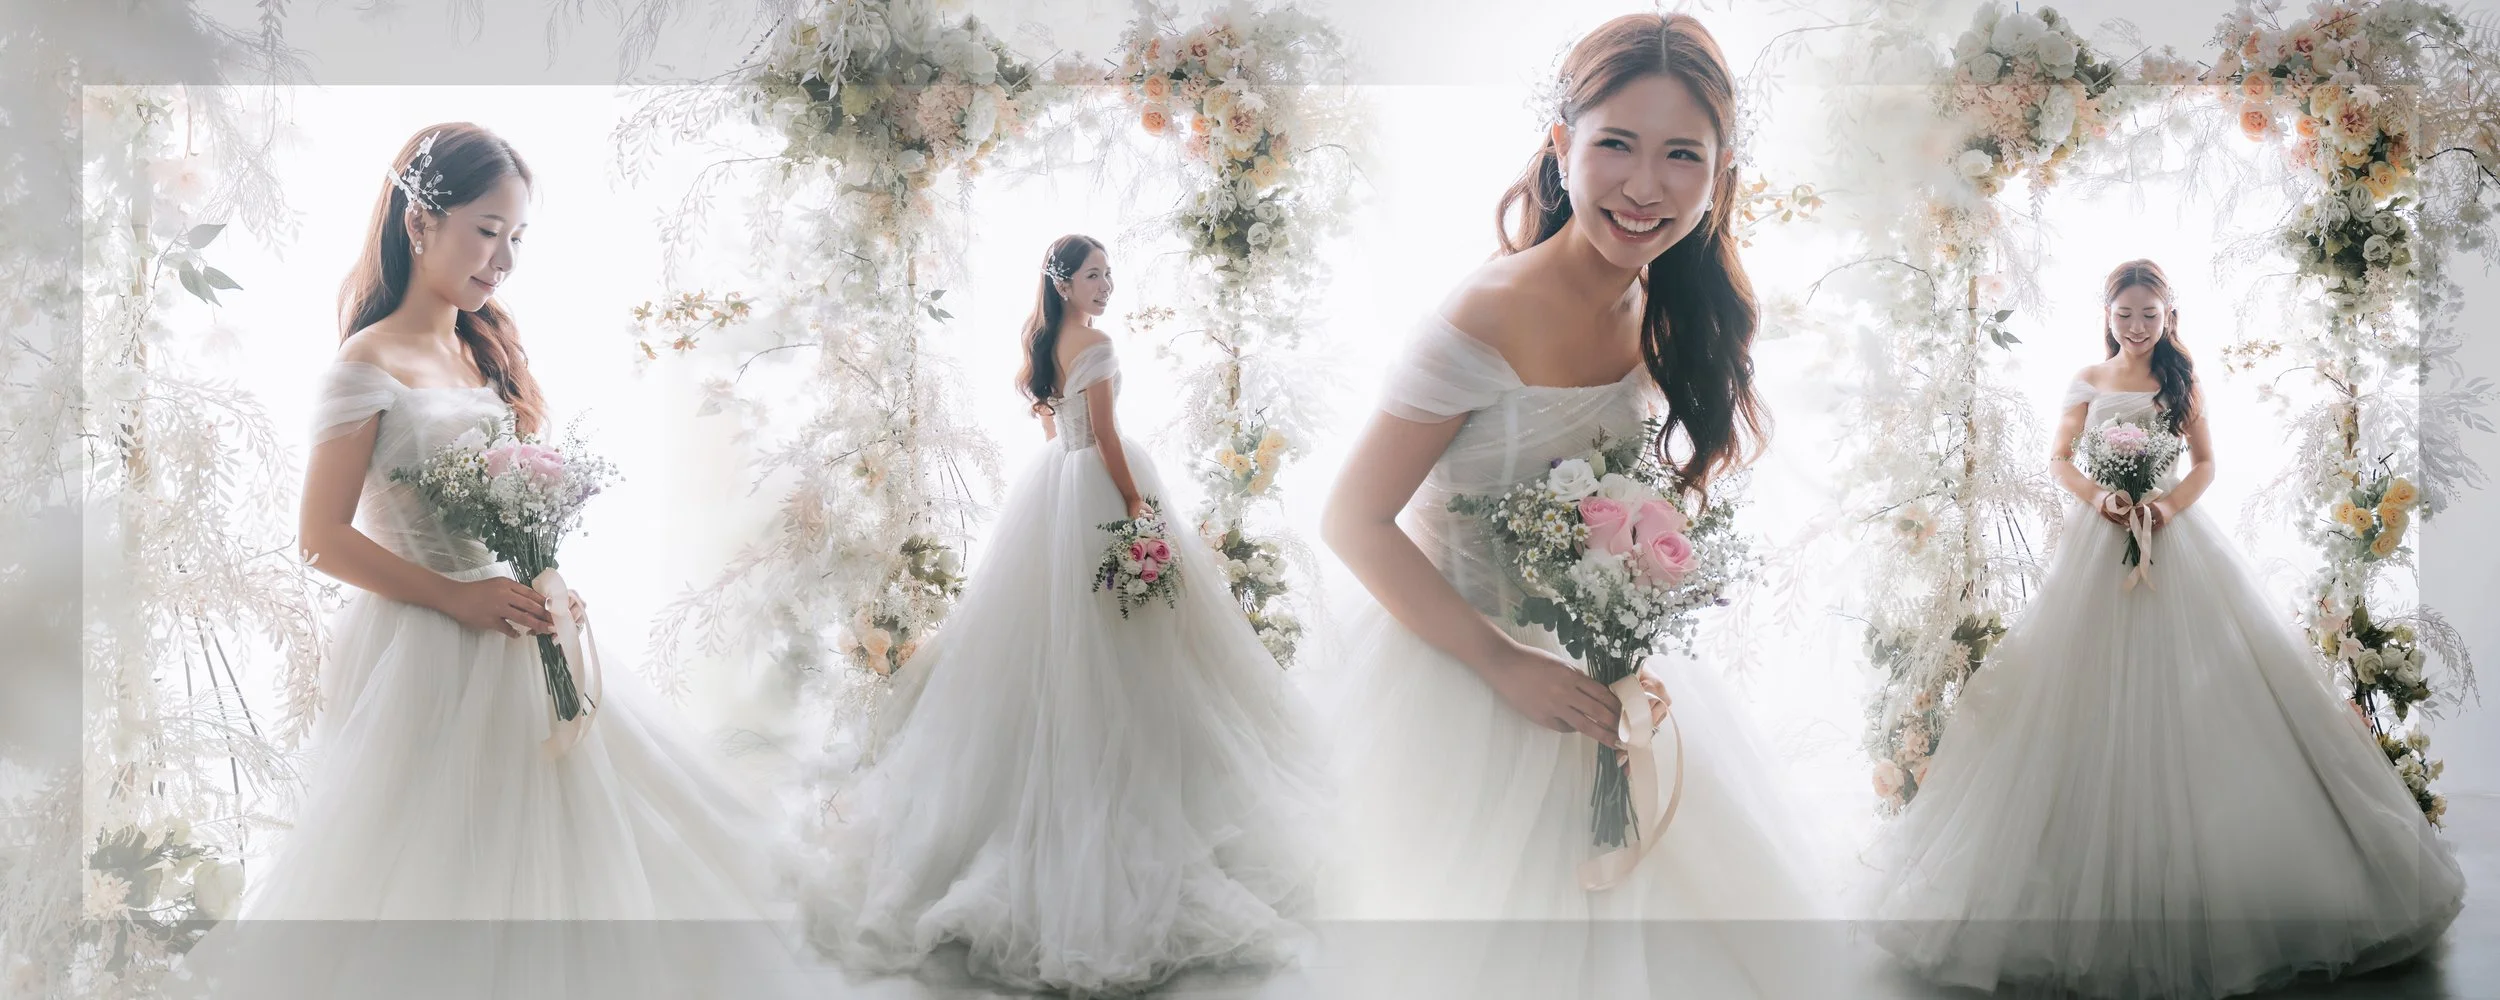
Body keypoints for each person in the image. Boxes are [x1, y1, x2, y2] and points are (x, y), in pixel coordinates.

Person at [179, 123, 819, 999]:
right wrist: (457, 598)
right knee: (441, 862)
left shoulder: (477, 351)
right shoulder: (364, 366)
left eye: (516, 238)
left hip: (517, 629)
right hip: (424, 644)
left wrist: (545, 580)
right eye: (487, 231)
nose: (503, 259)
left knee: (572, 852)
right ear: (419, 223)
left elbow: (503, 508)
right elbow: (322, 538)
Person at [1314, 15, 1835, 998]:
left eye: (1682, 154)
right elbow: (1351, 518)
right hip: (1468, 677)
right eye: (1614, 146)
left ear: (1720, 173)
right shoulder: (1488, 310)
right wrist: (1504, 664)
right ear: (1561, 151)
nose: (1645, 187)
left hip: (1598, 669)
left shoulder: (1651, 304)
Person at [1869, 258, 2465, 999]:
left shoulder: (2182, 381)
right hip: (2099, 541)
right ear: (2107, 314)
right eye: (2126, 315)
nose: (2138, 327)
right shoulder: (2087, 378)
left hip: (2171, 537)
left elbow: (2207, 464)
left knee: (2207, 690)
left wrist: (2161, 507)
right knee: (2074, 688)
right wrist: (2101, 499)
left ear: (2169, 315)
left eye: (2150, 315)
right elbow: (2057, 458)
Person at [797, 235, 1327, 996]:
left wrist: (1073, 467)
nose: (1106, 286)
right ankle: (1120, 774)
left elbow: (1057, 424)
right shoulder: (1098, 342)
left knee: (1052, 640)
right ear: (1064, 282)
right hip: (1100, 485)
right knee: (1123, 634)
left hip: (1053, 486)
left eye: (1109, 274)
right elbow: (1107, 436)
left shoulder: (1045, 340)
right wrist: (1139, 504)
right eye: (1093, 276)